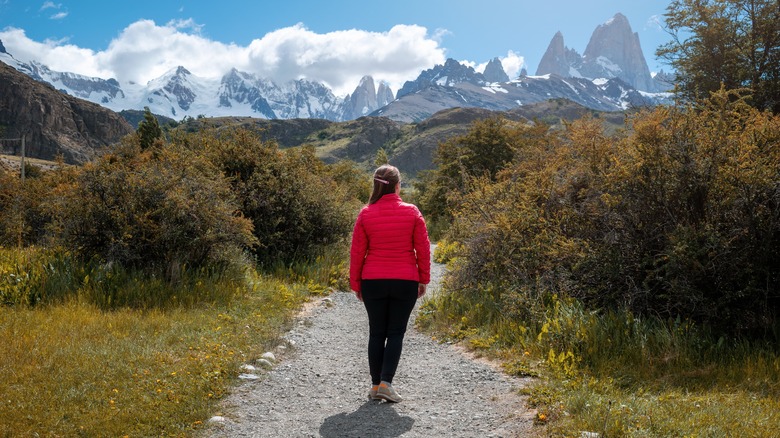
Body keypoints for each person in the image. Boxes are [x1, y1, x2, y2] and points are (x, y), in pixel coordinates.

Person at [349, 164, 431, 403]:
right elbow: (423, 248)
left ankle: (376, 386)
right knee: (395, 332)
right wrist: (423, 278)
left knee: (376, 332)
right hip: (405, 280)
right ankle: (386, 383)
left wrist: (356, 284)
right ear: (397, 185)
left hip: (372, 280)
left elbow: (357, 252)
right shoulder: (412, 211)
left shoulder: (365, 213)